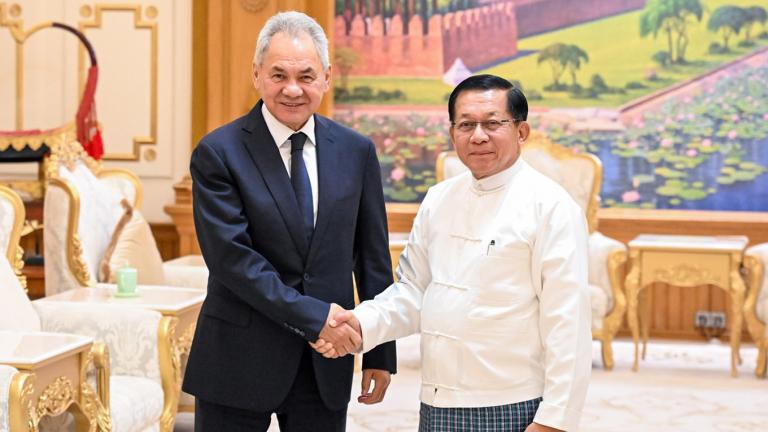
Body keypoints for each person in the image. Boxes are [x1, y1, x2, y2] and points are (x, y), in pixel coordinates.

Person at [315, 74, 591, 431]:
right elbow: (415, 291)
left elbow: (568, 323)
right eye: (466, 125)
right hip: (438, 399)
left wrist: (554, 421)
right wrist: (360, 322)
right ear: (452, 133)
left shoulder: (551, 206)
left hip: (513, 405)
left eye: (493, 123)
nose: (478, 135)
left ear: (521, 132)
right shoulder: (438, 199)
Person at [182, 11, 397, 432]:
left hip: (325, 364)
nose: (292, 89)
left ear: (327, 77)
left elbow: (372, 258)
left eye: (306, 75)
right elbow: (233, 261)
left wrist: (378, 350)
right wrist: (316, 318)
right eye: (278, 75)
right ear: (256, 75)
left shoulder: (356, 151)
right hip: (238, 361)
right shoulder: (219, 152)